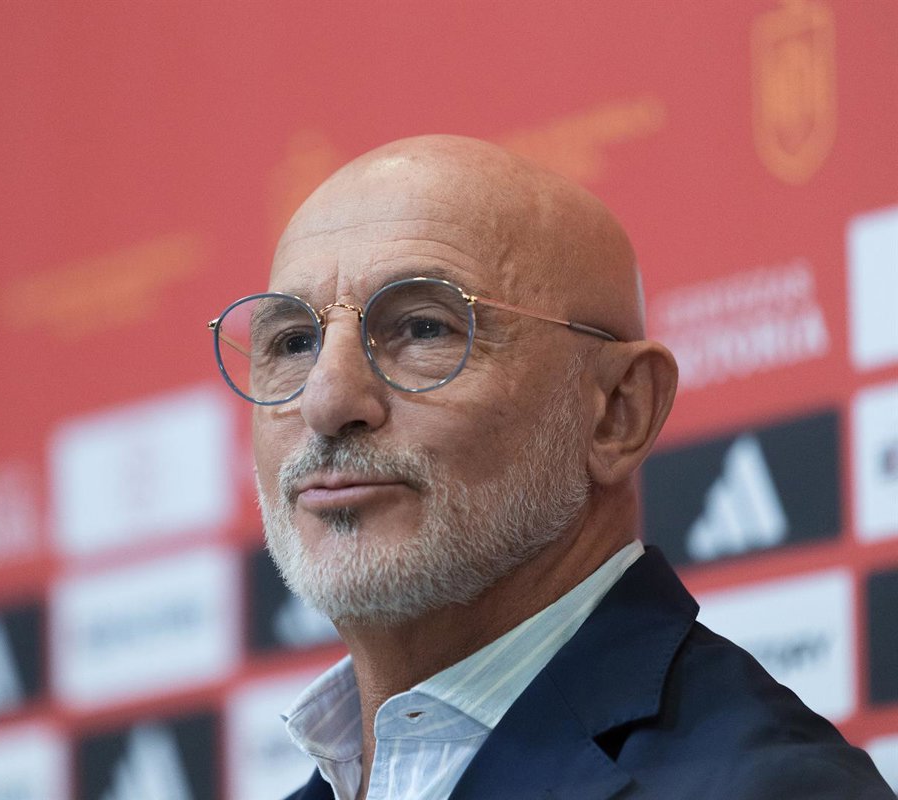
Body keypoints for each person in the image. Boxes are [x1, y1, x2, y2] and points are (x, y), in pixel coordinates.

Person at [207, 135, 893, 799]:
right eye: (293, 343)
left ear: (618, 412)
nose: (327, 401)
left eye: (423, 328)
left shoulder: (773, 788)